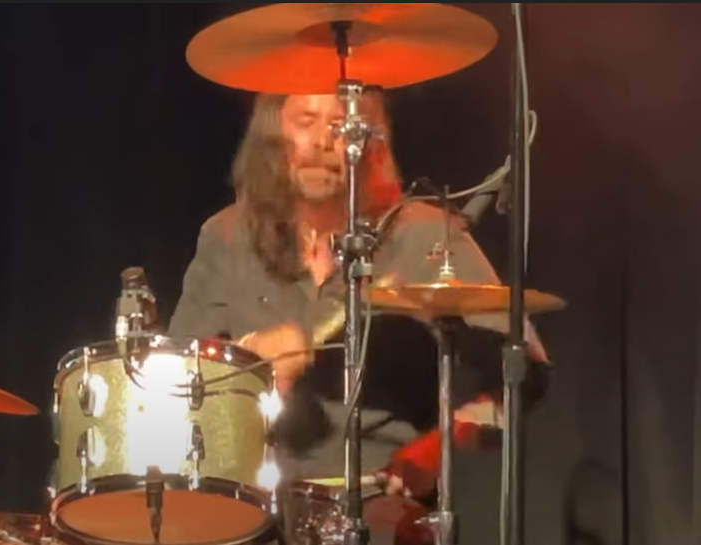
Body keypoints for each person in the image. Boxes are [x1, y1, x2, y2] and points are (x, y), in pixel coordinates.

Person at [166, 91, 551, 544]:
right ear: (273, 134)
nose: (321, 142)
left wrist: (436, 449)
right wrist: (245, 357)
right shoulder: (227, 235)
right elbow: (175, 381)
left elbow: (524, 370)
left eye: (339, 125)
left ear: (369, 141)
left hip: (380, 507)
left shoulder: (425, 235)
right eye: (305, 121)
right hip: (250, 506)